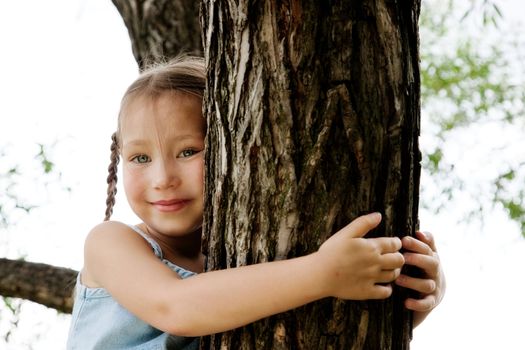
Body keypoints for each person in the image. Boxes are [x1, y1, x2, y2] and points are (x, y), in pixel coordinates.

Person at [66, 56, 445, 349]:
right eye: (140, 158)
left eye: (188, 151)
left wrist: (416, 300)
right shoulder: (109, 243)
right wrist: (322, 272)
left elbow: (317, 328)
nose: (163, 178)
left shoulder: (243, 260)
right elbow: (176, 307)